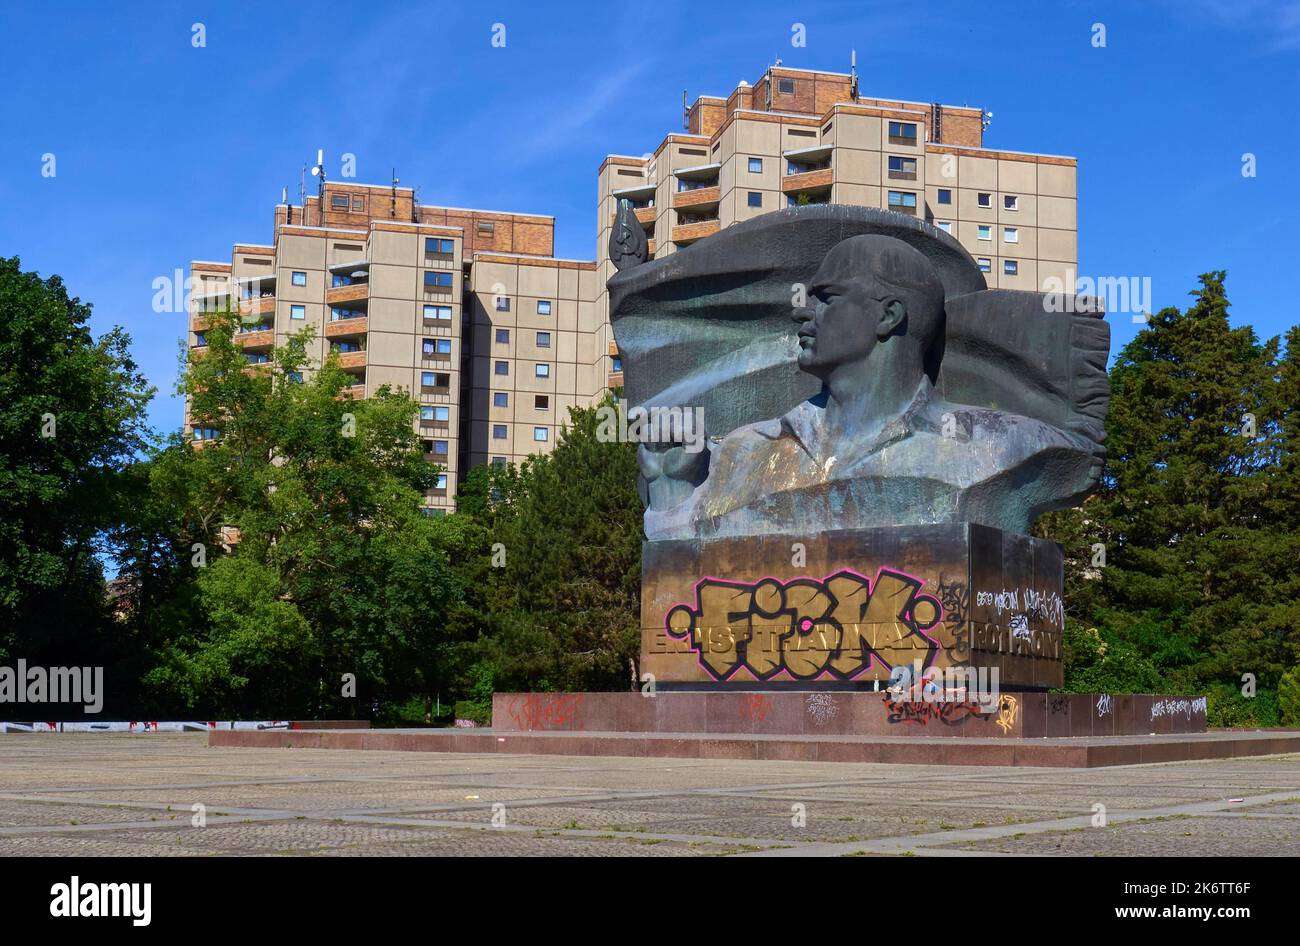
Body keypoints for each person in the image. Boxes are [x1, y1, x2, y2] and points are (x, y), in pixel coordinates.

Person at [645, 234, 1100, 540]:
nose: (804, 313)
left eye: (827, 298)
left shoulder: (1002, 448)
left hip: (937, 682)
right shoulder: (746, 452)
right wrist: (669, 486)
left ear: (889, 316)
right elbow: (683, 558)